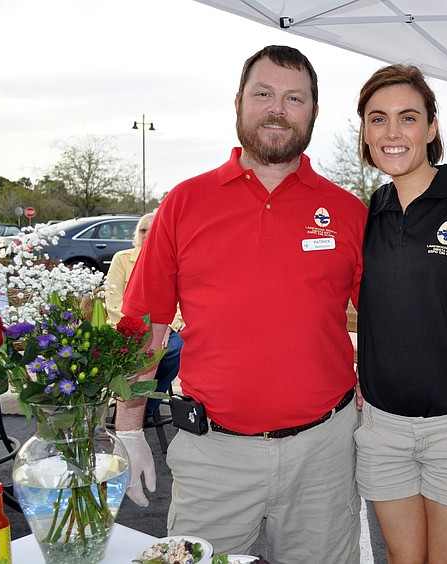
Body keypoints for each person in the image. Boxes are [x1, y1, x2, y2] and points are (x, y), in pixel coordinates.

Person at [114, 45, 367, 563]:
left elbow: (387, 323)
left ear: (313, 112)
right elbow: (147, 324)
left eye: (294, 97)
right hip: (213, 457)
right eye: (264, 94)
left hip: (324, 455)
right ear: (238, 103)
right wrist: (128, 426)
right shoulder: (185, 203)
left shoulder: (346, 212)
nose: (278, 108)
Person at [354, 64, 447, 564]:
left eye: (408, 117)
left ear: (432, 127)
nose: (393, 133)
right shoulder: (367, 212)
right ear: (366, 132)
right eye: (378, 119)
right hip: (381, 426)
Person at [104, 211, 183, 411]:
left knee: (176, 350)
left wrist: (167, 328)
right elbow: (113, 300)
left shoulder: (173, 260)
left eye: (153, 230)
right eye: (143, 230)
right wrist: (138, 328)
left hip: (165, 326)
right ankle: (130, 403)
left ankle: (148, 405)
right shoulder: (121, 259)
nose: (147, 234)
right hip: (126, 326)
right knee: (140, 353)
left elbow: (182, 303)